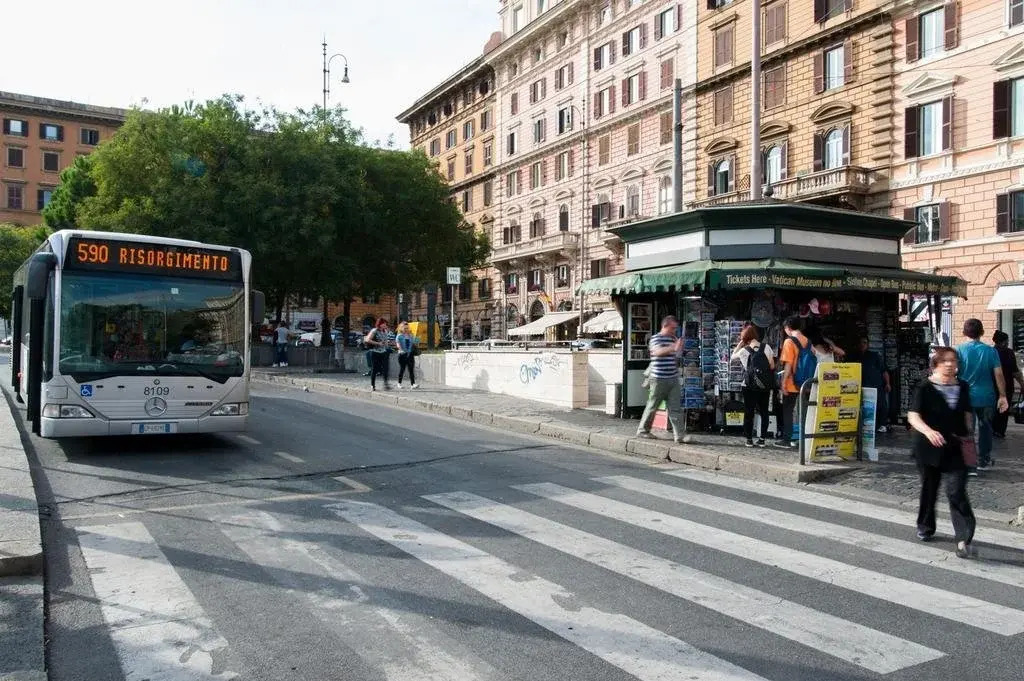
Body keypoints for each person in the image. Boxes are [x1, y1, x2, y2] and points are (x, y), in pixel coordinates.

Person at [907, 347, 976, 558]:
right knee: (930, 487)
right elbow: (913, 416)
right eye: (944, 361)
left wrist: (970, 440)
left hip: (956, 447)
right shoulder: (925, 387)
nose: (949, 364)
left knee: (956, 491)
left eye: (953, 360)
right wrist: (928, 431)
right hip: (928, 446)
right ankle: (926, 526)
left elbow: (966, 415)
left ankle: (964, 538)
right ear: (935, 364)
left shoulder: (962, 386)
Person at [955, 319, 1009, 474]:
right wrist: (1003, 395)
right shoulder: (990, 351)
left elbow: (955, 372)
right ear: (982, 332)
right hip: (987, 397)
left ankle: (969, 463)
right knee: (985, 429)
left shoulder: (959, 350)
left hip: (966, 397)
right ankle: (983, 460)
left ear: (964, 332)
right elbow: (998, 374)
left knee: (967, 430)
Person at [636, 316, 684, 443]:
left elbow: (676, 356)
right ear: (665, 326)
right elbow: (657, 352)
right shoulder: (656, 338)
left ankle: (679, 436)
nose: (674, 330)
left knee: (675, 407)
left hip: (673, 378)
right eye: (672, 328)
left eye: (675, 328)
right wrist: (673, 347)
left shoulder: (672, 339)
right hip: (658, 378)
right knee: (653, 405)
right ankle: (643, 430)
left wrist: (678, 349)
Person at [731, 324, 776, 447]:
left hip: (749, 385)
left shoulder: (744, 351)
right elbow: (772, 366)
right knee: (764, 411)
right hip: (764, 385)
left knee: (749, 412)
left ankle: (749, 439)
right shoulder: (767, 348)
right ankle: (762, 439)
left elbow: (731, 357)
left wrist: (740, 343)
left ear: (745, 338)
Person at [776, 316, 811, 448]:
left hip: (792, 382)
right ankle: (805, 438)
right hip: (805, 382)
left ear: (788, 328)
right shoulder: (808, 341)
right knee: (804, 410)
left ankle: (787, 439)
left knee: (788, 410)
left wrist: (783, 383)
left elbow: (788, 364)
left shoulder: (789, 342)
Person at [992, 330, 1024, 438]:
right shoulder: (1009, 353)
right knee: (1004, 410)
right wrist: (1022, 384)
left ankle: (993, 429)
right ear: (1004, 341)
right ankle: (1000, 431)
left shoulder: (990, 352)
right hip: (1007, 386)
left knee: (993, 409)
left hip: (992, 386)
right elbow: (1015, 372)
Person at [858, 336, 892, 433]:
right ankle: (868, 425)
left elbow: (884, 371)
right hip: (863, 385)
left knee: (881, 405)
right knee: (865, 406)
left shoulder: (875, 356)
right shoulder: (856, 357)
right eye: (861, 343)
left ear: (868, 345)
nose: (862, 345)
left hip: (876, 385)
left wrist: (888, 383)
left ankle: (882, 424)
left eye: (864, 343)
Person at [364, 318, 394, 391]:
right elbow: (367, 340)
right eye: (384, 324)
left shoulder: (385, 331)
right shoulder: (374, 330)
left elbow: (386, 342)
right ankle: (372, 385)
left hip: (383, 352)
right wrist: (378, 343)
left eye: (386, 324)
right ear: (380, 324)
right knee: (375, 369)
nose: (386, 325)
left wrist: (391, 344)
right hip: (375, 352)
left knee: (385, 368)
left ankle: (386, 384)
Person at [395, 321, 419, 389]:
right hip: (402, 354)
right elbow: (398, 344)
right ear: (401, 328)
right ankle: (399, 383)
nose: (406, 329)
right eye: (405, 328)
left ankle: (413, 384)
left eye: (407, 328)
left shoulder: (411, 335)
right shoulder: (399, 336)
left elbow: (415, 343)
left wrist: (417, 340)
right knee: (402, 369)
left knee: (411, 369)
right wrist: (401, 350)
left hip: (410, 354)